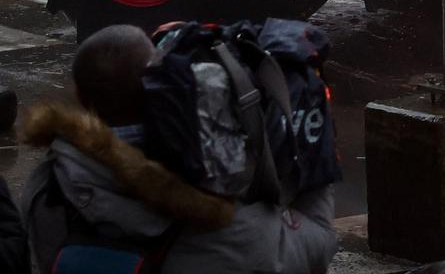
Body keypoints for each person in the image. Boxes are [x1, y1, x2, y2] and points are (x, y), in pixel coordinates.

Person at [22, 25, 338, 274]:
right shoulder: (229, 213)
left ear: (81, 97)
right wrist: (314, 139)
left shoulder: (47, 190)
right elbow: (317, 245)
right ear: (163, 85)